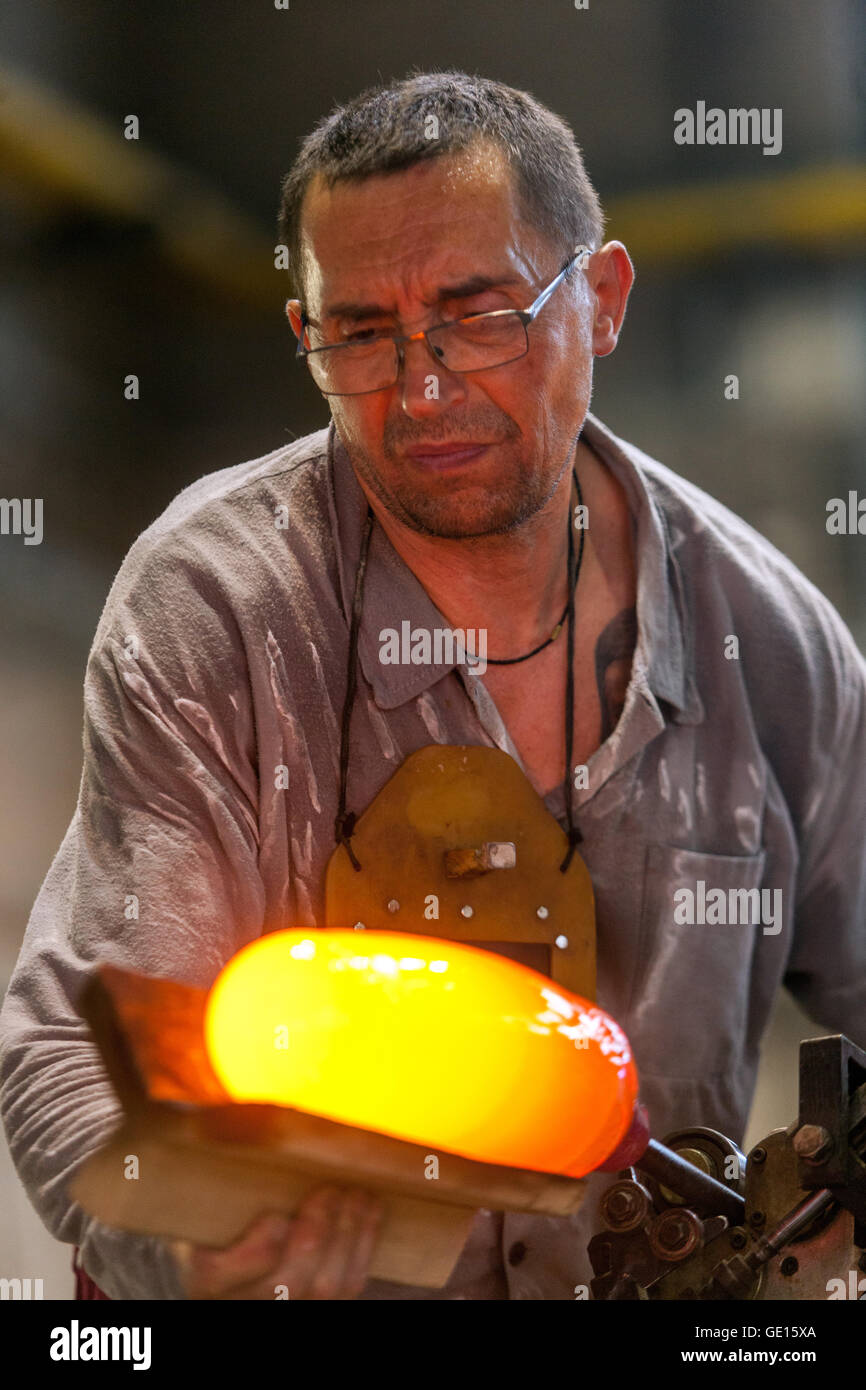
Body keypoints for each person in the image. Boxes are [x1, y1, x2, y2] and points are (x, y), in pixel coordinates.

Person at [1, 70, 865, 1302]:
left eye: (480, 315)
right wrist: (188, 1252)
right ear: (305, 338)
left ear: (602, 300)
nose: (421, 388)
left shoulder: (769, 646)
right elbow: (73, 1046)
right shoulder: (220, 607)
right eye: (360, 332)